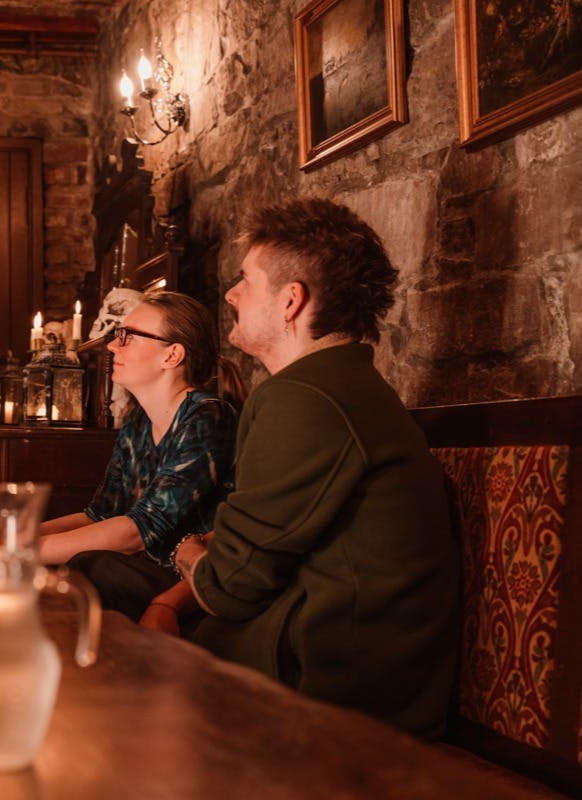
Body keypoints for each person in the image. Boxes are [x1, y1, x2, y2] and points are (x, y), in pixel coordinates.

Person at [141, 198, 459, 740]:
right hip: (362, 676)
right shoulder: (341, 386)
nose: (231, 294)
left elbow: (228, 587)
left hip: (333, 695)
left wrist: (184, 549)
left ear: (291, 301)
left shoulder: (304, 398)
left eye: (246, 280)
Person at [39, 290, 242, 621]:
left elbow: (138, 532)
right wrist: (21, 534)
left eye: (128, 337)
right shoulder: (137, 419)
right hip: (140, 574)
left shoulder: (207, 418)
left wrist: (21, 553)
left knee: (89, 567)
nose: (112, 346)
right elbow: (100, 514)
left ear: (171, 355)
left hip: (193, 588)